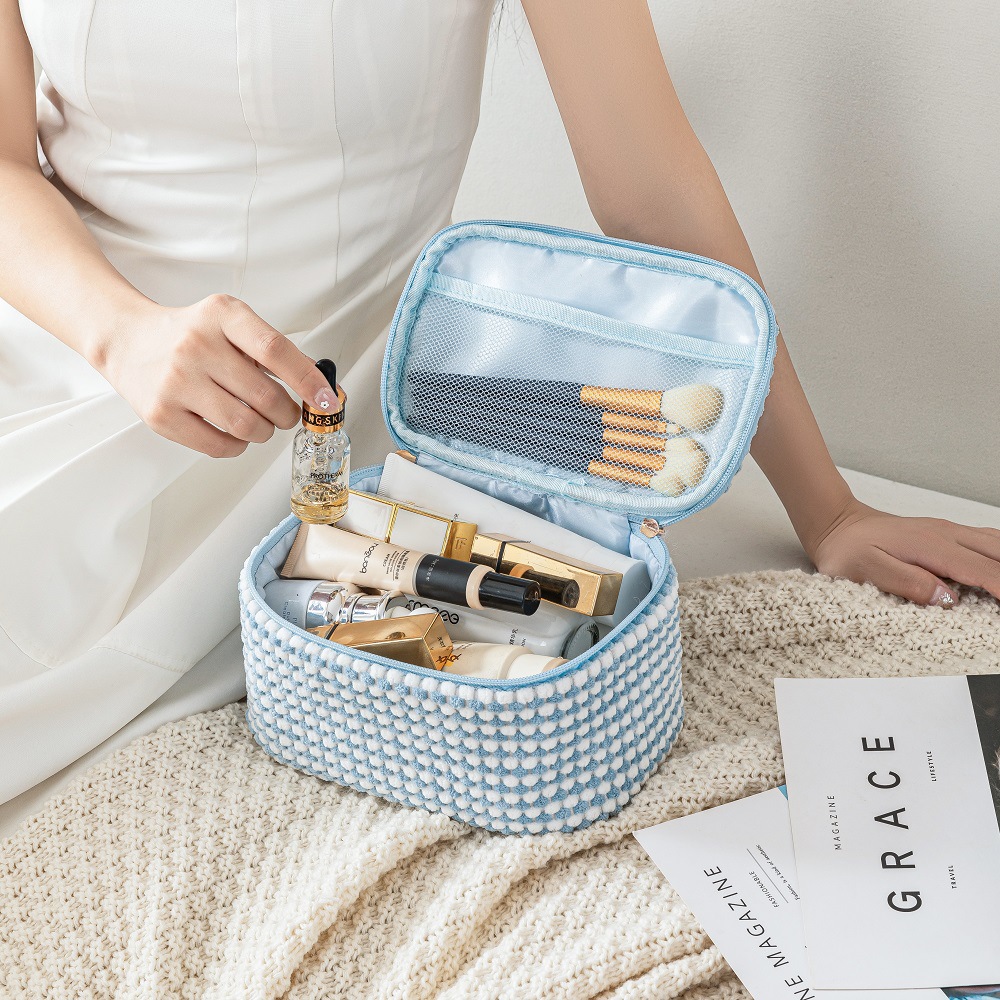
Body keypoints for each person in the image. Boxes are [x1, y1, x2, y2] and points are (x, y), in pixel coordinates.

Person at [1, 0, 997, 809]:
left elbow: (653, 195)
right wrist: (119, 332)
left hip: (317, 436)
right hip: (59, 334)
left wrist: (829, 510)